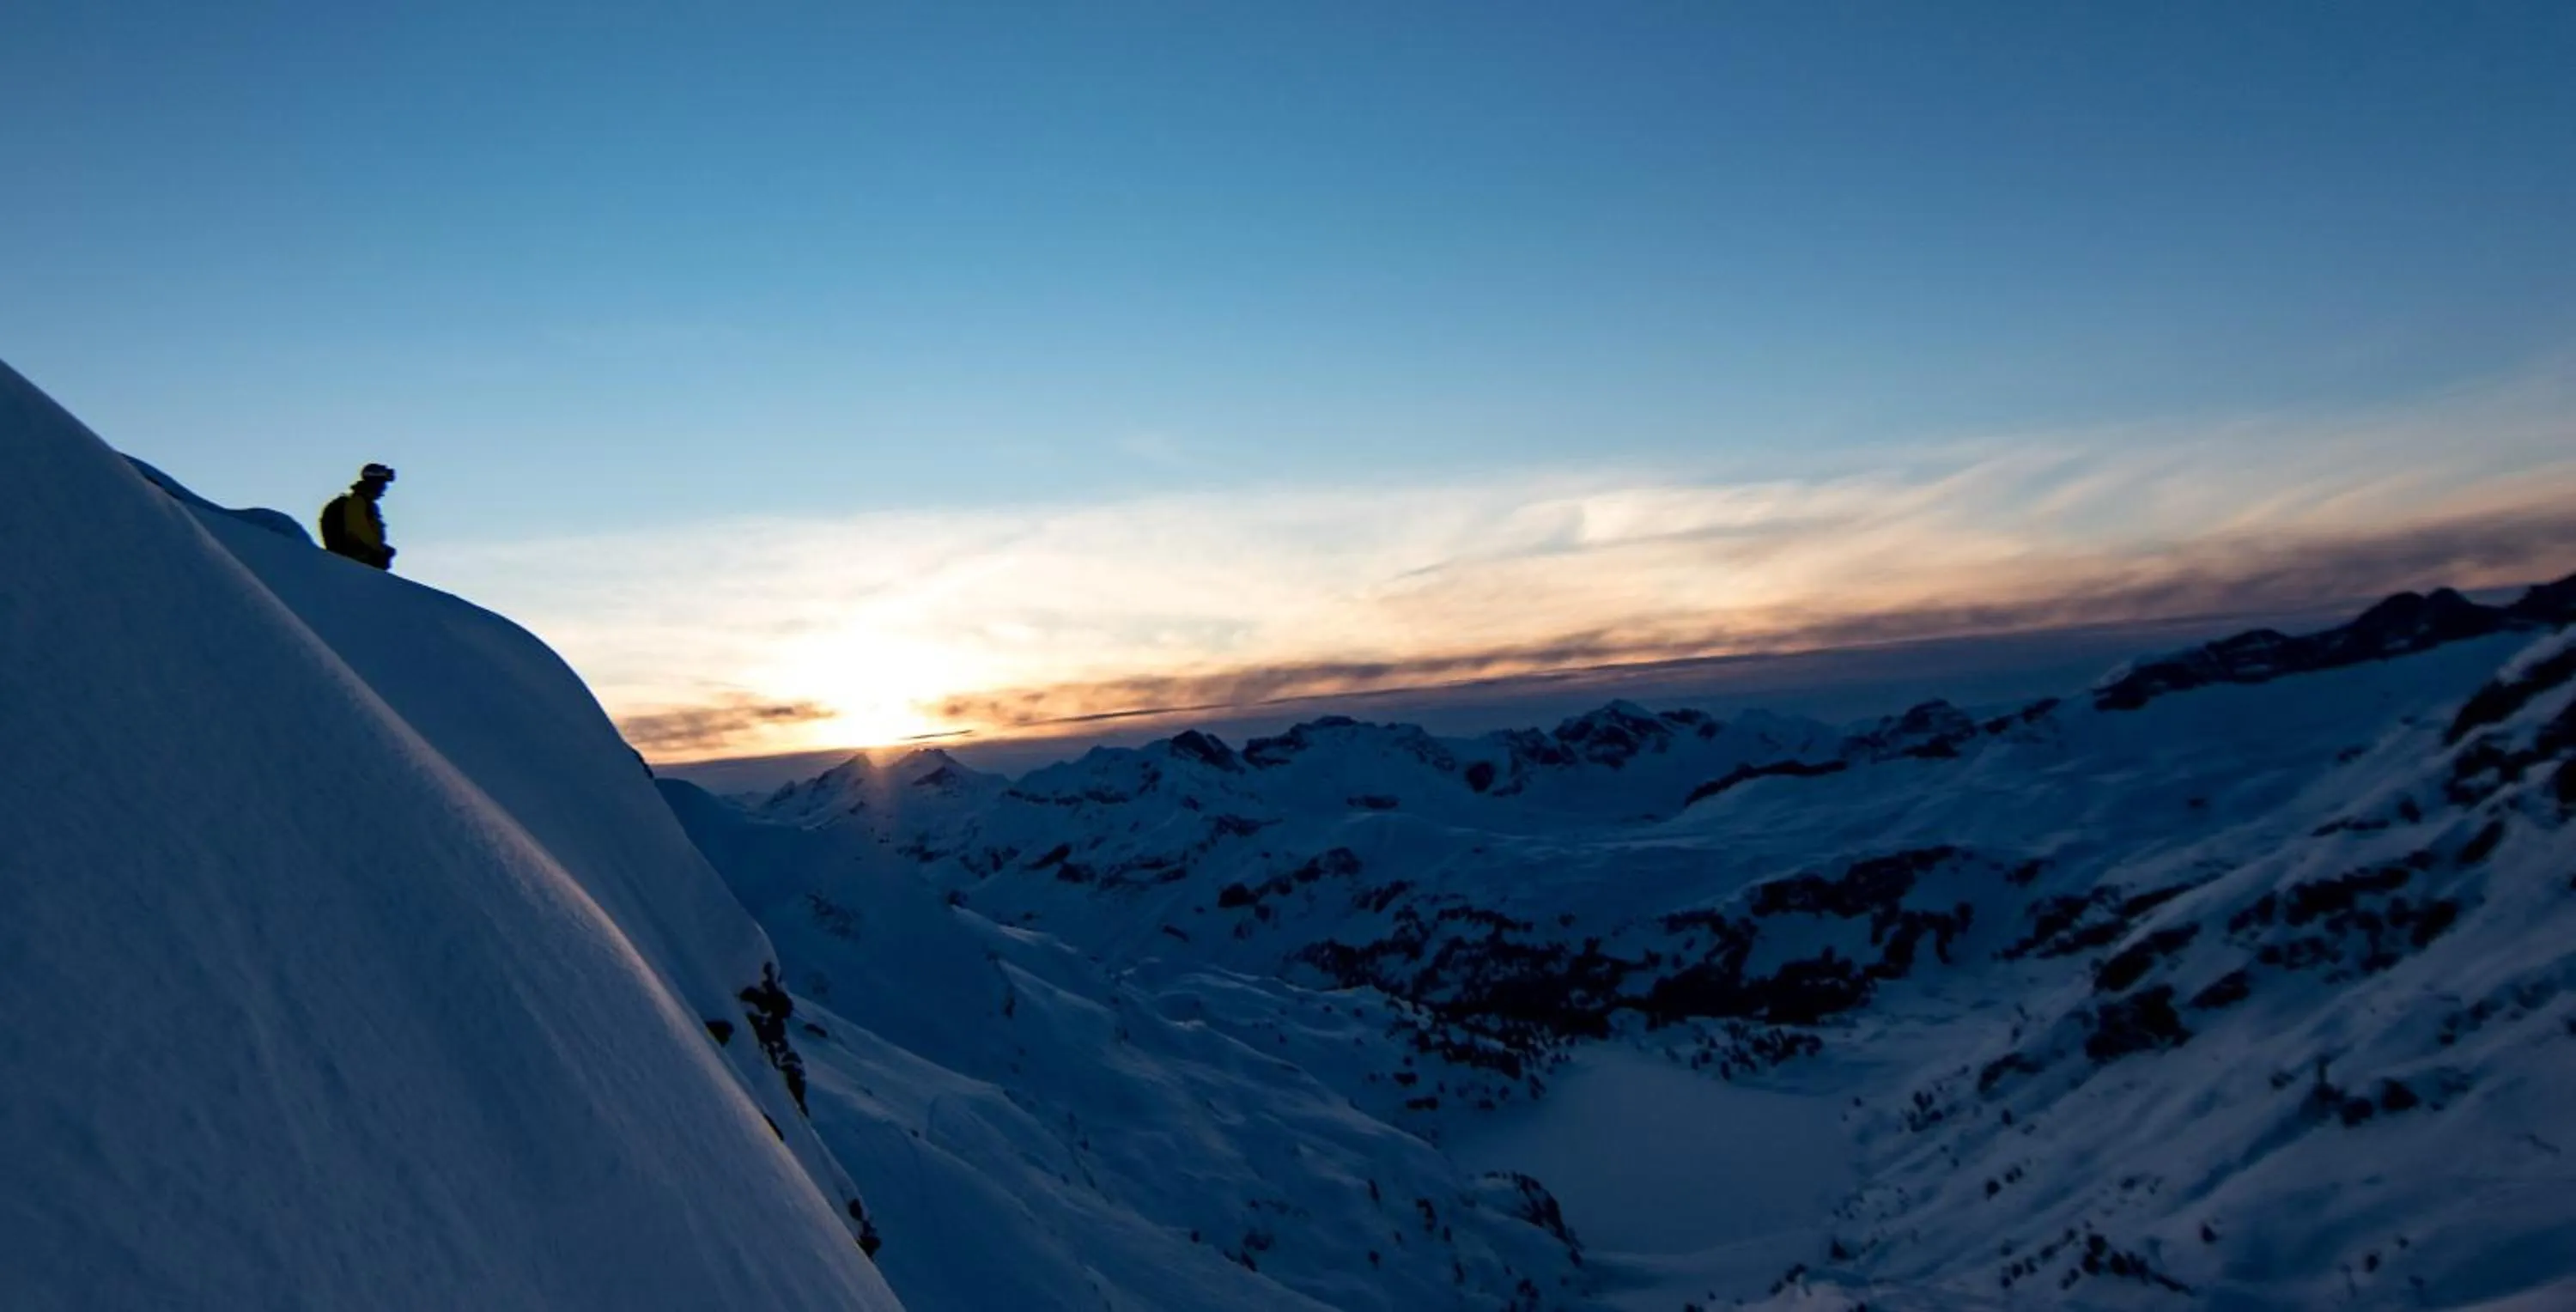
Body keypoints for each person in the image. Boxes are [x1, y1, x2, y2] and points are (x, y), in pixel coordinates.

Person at [319, 463, 398, 569]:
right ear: (374, 484)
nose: (383, 490)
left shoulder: (364, 503)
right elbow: (358, 529)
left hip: (355, 559)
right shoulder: (358, 502)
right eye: (382, 485)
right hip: (357, 560)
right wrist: (380, 550)